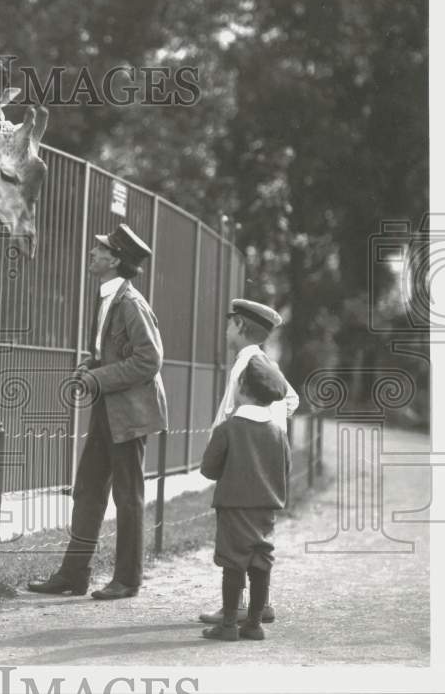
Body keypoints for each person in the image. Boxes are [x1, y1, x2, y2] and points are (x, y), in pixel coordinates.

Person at [27, 223, 168, 599]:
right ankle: (74, 575)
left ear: (115, 260)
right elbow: (114, 353)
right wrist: (90, 365)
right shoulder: (108, 296)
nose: (93, 252)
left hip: (130, 414)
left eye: (101, 248)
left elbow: (149, 360)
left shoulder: (131, 304)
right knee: (88, 489)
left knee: (127, 497)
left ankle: (128, 580)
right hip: (110, 408)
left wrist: (98, 377)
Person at [199, 299, 299, 626]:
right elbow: (291, 398)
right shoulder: (264, 362)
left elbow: (229, 412)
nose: (227, 329)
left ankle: (238, 608)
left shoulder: (246, 364)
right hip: (264, 469)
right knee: (259, 542)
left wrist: (241, 435)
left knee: (237, 544)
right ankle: (260, 605)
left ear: (240, 326)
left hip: (240, 463)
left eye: (231, 323)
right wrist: (273, 423)